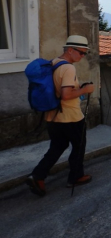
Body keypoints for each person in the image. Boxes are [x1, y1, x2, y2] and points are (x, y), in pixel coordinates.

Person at [26, 35, 95, 197]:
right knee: (78, 147)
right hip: (70, 117)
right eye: (81, 52)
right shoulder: (69, 68)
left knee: (57, 147)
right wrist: (86, 90)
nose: (83, 56)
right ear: (70, 50)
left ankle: (37, 176)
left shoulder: (54, 63)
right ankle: (76, 177)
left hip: (52, 117)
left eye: (85, 53)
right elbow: (66, 94)